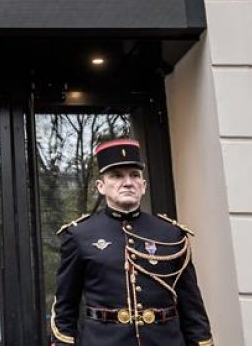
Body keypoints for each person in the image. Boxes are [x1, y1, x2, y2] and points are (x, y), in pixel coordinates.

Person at [50, 139, 214, 346]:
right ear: (100, 186)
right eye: (116, 176)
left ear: (143, 186)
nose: (127, 182)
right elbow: (65, 307)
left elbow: (192, 306)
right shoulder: (80, 235)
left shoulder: (171, 234)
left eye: (134, 175)